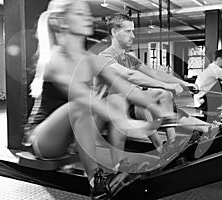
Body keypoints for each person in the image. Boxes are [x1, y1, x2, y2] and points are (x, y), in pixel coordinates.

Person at [24, 1, 175, 199]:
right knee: (80, 106)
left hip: (77, 133)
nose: (88, 17)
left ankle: (119, 164)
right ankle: (97, 181)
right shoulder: (55, 59)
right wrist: (129, 122)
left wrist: (163, 114)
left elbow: (127, 89)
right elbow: (86, 99)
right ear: (62, 22)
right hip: (44, 140)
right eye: (79, 13)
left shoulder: (89, 59)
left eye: (87, 13)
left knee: (116, 98)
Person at [97, 13, 216, 159]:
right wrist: (166, 85)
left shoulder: (129, 58)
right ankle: (162, 149)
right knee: (148, 101)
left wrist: (183, 83)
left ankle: (177, 140)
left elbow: (154, 73)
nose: (133, 35)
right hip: (108, 109)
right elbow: (130, 75)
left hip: (130, 103)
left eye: (133, 30)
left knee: (163, 96)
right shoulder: (104, 57)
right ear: (114, 32)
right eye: (128, 31)